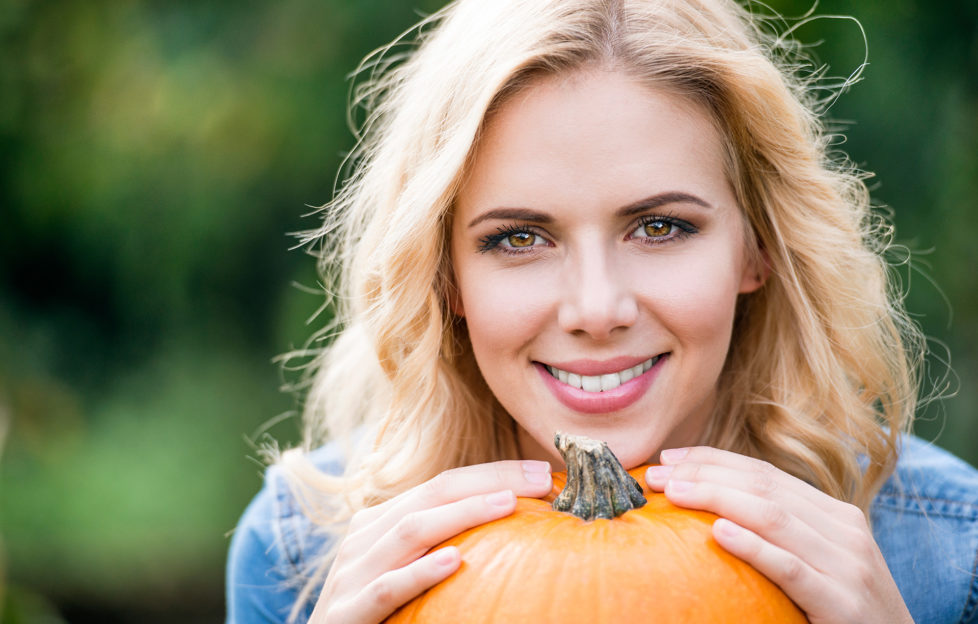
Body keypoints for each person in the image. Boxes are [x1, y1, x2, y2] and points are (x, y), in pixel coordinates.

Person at [226, 1, 978, 622]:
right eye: (518, 238)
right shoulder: (303, 553)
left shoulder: (948, 555)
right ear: (444, 276)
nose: (595, 309)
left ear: (758, 247)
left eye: (660, 227)